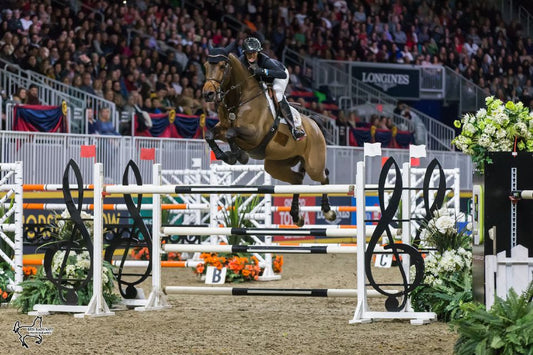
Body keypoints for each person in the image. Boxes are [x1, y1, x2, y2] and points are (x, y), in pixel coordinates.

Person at [239, 37, 305, 140]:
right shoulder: (241, 61)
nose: (251, 55)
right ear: (244, 53)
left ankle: (295, 127)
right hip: (262, 80)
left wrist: (263, 71)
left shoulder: (265, 60)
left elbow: (281, 74)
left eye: (254, 53)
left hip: (278, 76)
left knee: (278, 95)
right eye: (248, 53)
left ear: (258, 52)